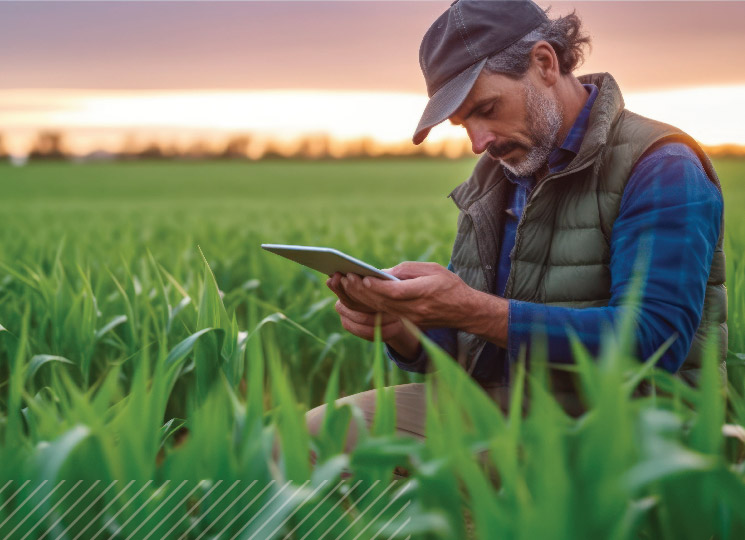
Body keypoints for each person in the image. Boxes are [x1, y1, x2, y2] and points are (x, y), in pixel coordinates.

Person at [308, 0, 726, 453]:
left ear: (544, 63)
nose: (477, 141)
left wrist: (470, 308)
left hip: (624, 431)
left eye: (487, 107)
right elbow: (473, 344)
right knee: (302, 438)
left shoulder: (661, 165)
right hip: (502, 411)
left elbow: (652, 341)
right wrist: (402, 329)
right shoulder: (495, 179)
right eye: (463, 121)